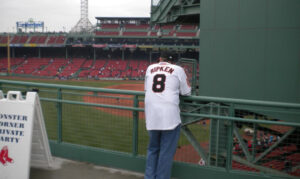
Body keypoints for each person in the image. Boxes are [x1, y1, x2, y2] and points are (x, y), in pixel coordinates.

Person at [144, 51, 191, 179]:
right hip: (170, 116)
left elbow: (146, 89)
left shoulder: (150, 68)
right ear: (174, 61)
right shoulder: (178, 69)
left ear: (160, 59)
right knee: (166, 152)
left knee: (153, 149)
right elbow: (186, 92)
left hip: (152, 115)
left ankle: (149, 177)